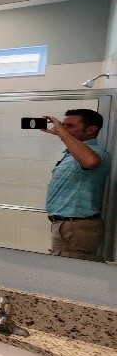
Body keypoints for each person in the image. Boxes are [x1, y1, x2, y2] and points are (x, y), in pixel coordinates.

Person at [41, 109, 111, 260]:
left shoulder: (96, 152)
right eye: (62, 125)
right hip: (68, 226)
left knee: (67, 276)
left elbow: (91, 161)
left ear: (91, 130)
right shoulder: (72, 153)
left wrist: (61, 132)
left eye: (70, 126)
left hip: (76, 227)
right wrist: (62, 132)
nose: (63, 129)